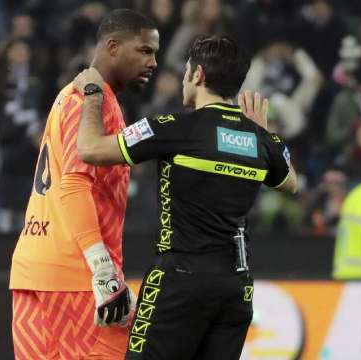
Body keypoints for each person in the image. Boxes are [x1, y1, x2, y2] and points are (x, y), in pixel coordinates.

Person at [73, 35, 297, 359]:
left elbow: (90, 149)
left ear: (198, 75)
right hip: (235, 288)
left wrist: (92, 93)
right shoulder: (258, 139)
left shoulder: (175, 127)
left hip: (179, 282)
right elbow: (291, 182)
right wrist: (264, 132)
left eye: (185, 71)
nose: (183, 79)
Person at [8, 9, 159, 360]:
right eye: (145, 50)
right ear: (112, 46)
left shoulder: (68, 96)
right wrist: (103, 270)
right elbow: (75, 184)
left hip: (34, 270)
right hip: (77, 280)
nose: (153, 62)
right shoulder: (96, 103)